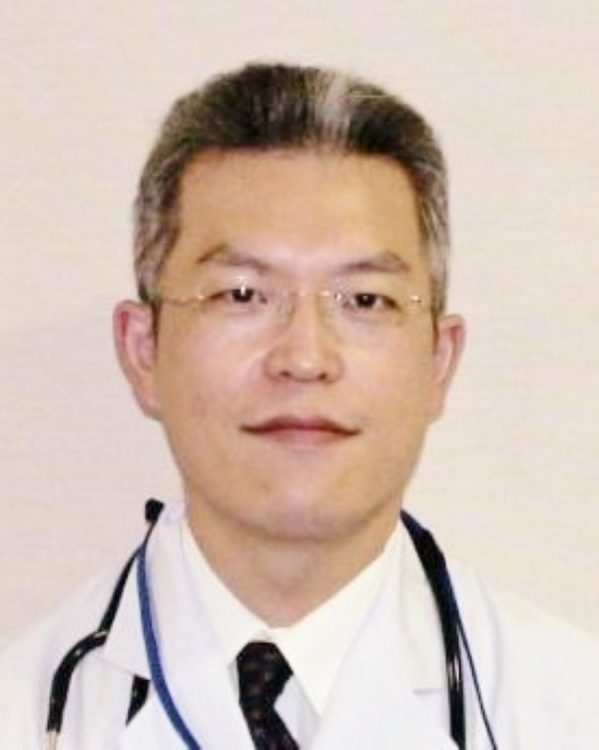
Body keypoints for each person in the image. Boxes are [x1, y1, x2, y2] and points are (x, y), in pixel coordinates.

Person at [1, 62, 597, 750]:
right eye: (242, 295)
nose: (305, 357)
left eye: (365, 300)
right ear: (142, 350)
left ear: (439, 360)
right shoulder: (21, 713)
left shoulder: (570, 710)